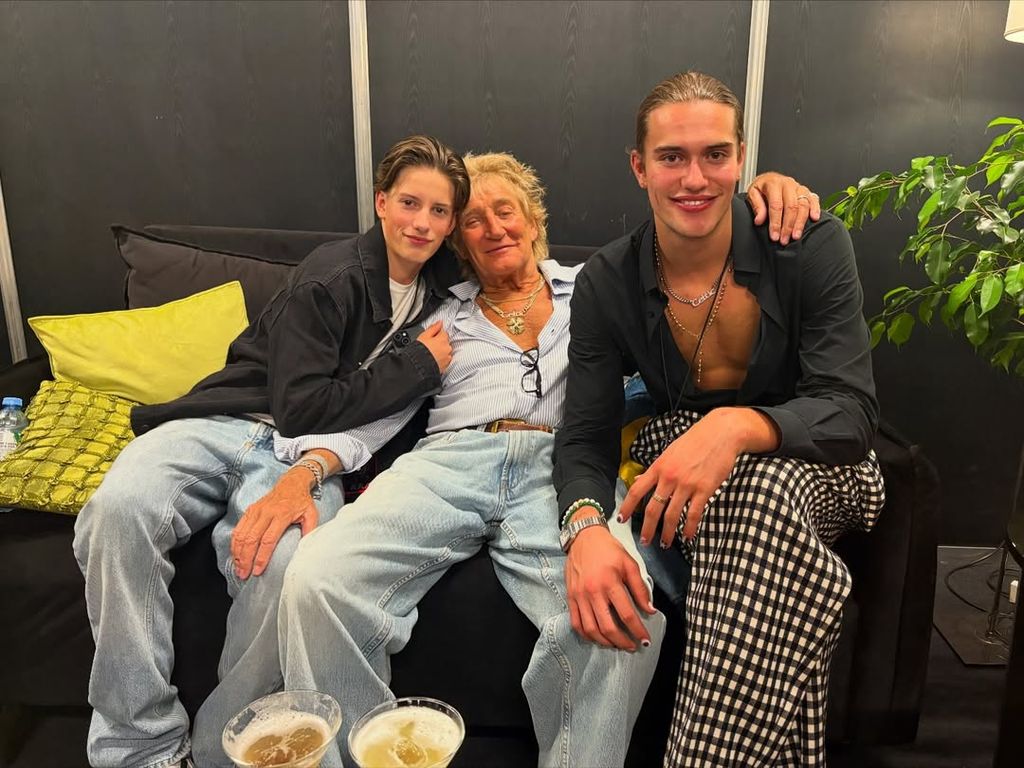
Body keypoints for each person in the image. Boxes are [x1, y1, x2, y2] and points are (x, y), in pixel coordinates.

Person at [274, 151, 818, 768]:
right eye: (473, 221)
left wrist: (761, 196)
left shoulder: (599, 286)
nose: (493, 228)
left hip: (561, 467)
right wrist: (309, 469)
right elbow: (380, 409)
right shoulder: (436, 313)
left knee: (622, 622)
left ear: (533, 220)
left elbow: (696, 257)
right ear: (459, 242)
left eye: (505, 211)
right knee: (315, 579)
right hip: (449, 460)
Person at [72, 135, 470, 768]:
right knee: (115, 511)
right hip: (223, 419)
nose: (421, 222)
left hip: (305, 458)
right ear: (381, 202)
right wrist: (417, 365)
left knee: (287, 565)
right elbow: (298, 408)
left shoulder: (445, 293)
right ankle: (137, 744)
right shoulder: (331, 275)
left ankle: (219, 752)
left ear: (452, 224)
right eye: (409, 203)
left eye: (439, 211)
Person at [552, 71, 886, 766]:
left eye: (715, 155)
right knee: (747, 502)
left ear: (741, 158)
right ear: (640, 166)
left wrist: (735, 428)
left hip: (825, 461)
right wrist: (583, 531)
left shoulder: (809, 243)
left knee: (759, 492)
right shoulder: (607, 282)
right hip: (694, 475)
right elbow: (584, 434)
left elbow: (850, 412)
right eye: (672, 157)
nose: (695, 178)